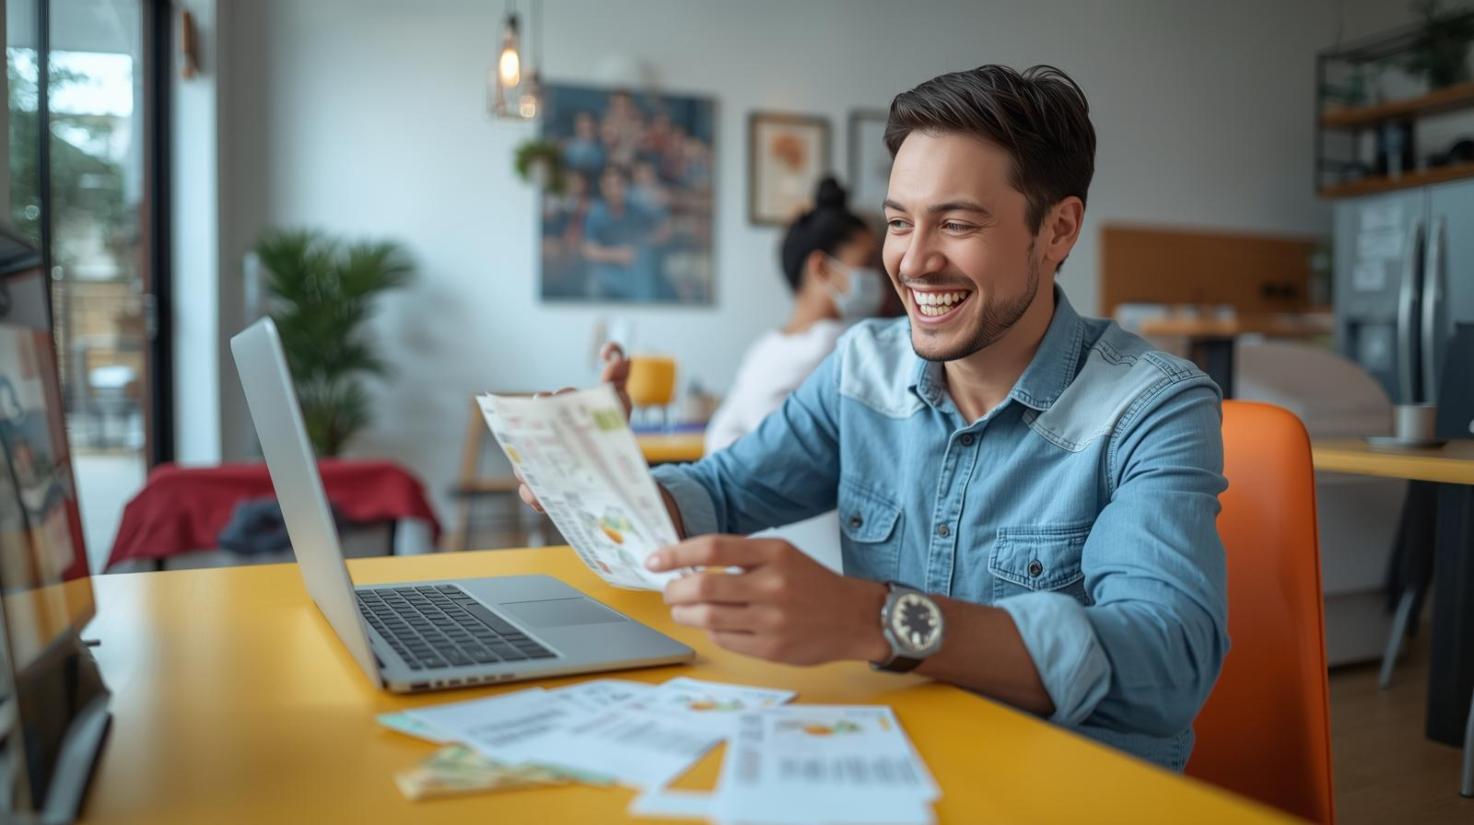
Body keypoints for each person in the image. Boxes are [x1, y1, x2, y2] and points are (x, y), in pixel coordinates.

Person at [524, 65, 1227, 771]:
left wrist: (877, 620)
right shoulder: (862, 367)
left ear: (1057, 230)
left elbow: (1167, 661)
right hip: (882, 761)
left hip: (1063, 783)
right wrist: (594, 473)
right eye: (898, 222)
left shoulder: (1152, 405)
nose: (913, 262)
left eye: (956, 223)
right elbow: (722, 493)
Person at [705, 177, 883, 453]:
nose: (878, 275)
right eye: (868, 262)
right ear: (822, 268)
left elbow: (720, 436)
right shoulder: (837, 346)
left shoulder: (766, 346)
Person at [582, 165, 666, 301]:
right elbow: (588, 251)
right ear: (602, 187)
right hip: (606, 272)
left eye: (619, 185)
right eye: (610, 186)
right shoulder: (595, 214)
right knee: (595, 282)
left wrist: (645, 243)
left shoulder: (637, 210)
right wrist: (617, 255)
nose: (615, 191)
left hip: (635, 272)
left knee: (644, 275)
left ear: (626, 187)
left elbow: (662, 230)